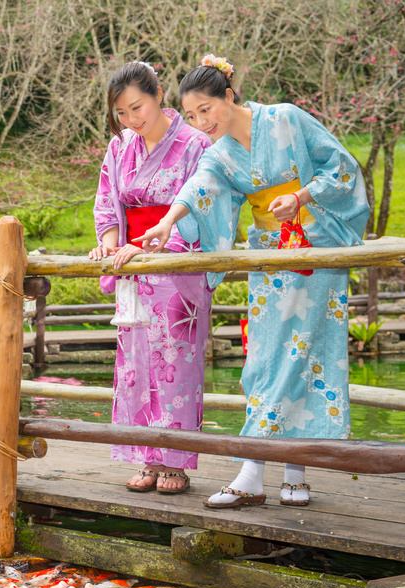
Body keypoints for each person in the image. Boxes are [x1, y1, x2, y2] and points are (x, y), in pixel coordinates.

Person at [135, 54, 369, 508]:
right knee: (265, 359)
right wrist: (168, 222)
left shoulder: (285, 118)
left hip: (316, 250)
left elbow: (340, 165)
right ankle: (254, 471)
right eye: (191, 116)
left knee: (310, 358)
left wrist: (300, 195)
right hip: (269, 259)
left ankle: (293, 472)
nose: (201, 123)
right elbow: (199, 187)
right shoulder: (220, 153)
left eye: (207, 110)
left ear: (229, 96)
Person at [89, 61, 213, 495]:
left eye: (136, 107)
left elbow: (201, 207)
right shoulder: (120, 147)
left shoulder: (196, 143)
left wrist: (149, 247)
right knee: (136, 366)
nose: (130, 120)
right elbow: (107, 204)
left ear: (159, 95)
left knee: (176, 365)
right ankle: (146, 456)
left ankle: (176, 461)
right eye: (121, 113)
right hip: (131, 264)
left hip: (175, 264)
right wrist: (108, 242)